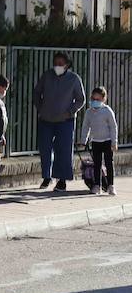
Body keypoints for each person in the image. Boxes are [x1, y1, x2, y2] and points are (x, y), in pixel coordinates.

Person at [33, 52, 86, 191]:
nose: (57, 66)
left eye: (61, 63)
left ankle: (62, 180)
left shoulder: (74, 79)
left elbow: (81, 99)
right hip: (46, 119)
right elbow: (37, 92)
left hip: (65, 121)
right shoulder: (47, 75)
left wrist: (70, 112)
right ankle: (46, 176)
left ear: (67, 65)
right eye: (55, 63)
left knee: (63, 150)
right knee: (45, 148)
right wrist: (40, 108)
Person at [82, 86, 119, 196]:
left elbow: (113, 126)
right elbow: (86, 126)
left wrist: (114, 141)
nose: (95, 101)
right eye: (93, 99)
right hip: (96, 141)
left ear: (103, 99)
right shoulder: (89, 112)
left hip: (107, 141)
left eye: (97, 100)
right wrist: (83, 140)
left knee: (109, 164)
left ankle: (111, 186)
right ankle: (97, 186)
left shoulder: (107, 111)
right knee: (97, 164)